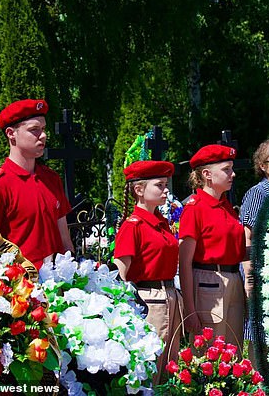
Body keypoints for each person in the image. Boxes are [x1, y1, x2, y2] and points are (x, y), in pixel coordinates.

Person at [0, 99, 74, 268]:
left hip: (60, 284)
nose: (43, 135)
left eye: (43, 129)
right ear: (11, 133)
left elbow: (65, 239)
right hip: (22, 287)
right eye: (34, 130)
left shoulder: (51, 179)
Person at [113, 160, 182, 386]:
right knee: (151, 363)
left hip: (170, 295)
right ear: (139, 190)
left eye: (165, 185)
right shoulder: (133, 226)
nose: (166, 190)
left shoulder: (160, 222)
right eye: (159, 185)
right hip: (149, 300)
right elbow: (120, 274)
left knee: (170, 364)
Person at [178, 144, 245, 346]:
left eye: (232, 169)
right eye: (226, 169)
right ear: (207, 174)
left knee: (234, 350)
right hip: (209, 282)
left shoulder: (226, 206)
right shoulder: (195, 208)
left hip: (233, 279)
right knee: (210, 351)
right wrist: (190, 309)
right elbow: (184, 262)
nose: (232, 175)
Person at [239, 138, 269, 297]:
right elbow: (247, 237)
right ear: (263, 166)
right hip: (261, 274)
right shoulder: (258, 194)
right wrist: (250, 279)